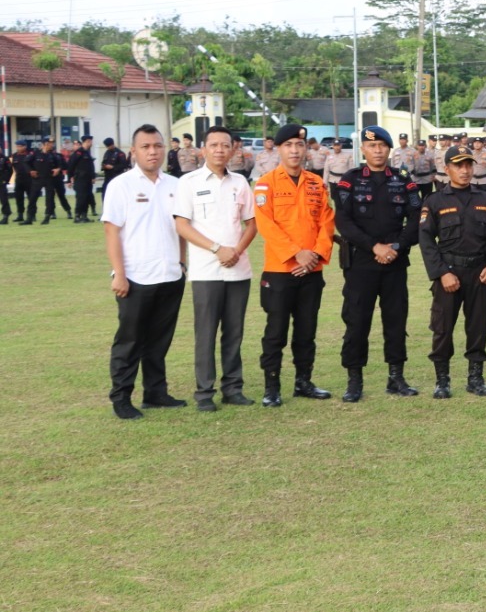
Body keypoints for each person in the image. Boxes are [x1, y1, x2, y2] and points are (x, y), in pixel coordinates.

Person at [101, 124, 188, 419]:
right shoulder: (120, 185)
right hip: (135, 278)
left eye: (158, 146)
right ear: (134, 151)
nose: (153, 152)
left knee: (159, 340)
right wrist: (119, 274)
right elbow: (112, 232)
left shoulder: (175, 185)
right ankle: (121, 398)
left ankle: (155, 392)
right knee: (130, 340)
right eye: (146, 147)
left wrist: (182, 264)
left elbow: (181, 229)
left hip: (170, 275)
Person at [332, 126, 423, 402]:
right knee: (357, 321)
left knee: (396, 321)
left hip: (394, 262)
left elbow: (417, 218)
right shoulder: (350, 180)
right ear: (363, 149)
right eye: (372, 146)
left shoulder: (403, 180)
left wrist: (396, 247)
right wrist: (375, 246)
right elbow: (343, 221)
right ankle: (354, 380)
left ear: (389, 149)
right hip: (361, 263)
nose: (378, 150)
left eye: (383, 146)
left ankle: (396, 377)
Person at [173, 126, 258, 411]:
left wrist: (237, 251)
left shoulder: (240, 183)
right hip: (206, 270)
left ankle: (233, 388)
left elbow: (252, 224)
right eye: (214, 145)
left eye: (225, 145)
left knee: (234, 332)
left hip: (238, 269)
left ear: (234, 149)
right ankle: (204, 392)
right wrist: (216, 249)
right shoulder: (188, 182)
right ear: (203, 149)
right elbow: (182, 225)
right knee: (206, 332)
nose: (220, 150)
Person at [252, 124, 337, 406]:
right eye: (288, 145)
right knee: (275, 332)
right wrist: (295, 254)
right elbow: (266, 224)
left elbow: (326, 222)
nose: (294, 150)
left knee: (306, 330)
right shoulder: (266, 183)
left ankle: (303, 382)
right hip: (280, 270)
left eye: (299, 145)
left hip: (311, 270)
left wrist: (314, 254)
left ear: (305, 148)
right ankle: (271, 387)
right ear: (278, 149)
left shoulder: (316, 183)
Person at [418, 146, 486, 399]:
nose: (465, 170)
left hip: (479, 272)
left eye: (468, 165)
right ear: (447, 170)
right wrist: (441, 273)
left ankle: (475, 378)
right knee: (443, 328)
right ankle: (442, 380)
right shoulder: (434, 201)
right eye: (459, 165)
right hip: (449, 274)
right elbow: (425, 240)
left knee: (478, 326)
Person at [68, 136, 97, 222]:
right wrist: (70, 178)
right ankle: (77, 216)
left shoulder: (87, 153)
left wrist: (93, 177)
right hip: (80, 179)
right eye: (90, 141)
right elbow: (71, 165)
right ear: (87, 141)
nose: (91, 143)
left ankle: (84, 216)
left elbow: (90, 167)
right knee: (81, 197)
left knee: (87, 197)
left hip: (87, 179)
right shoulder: (79, 153)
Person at [10, 141, 34, 224]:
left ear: (24, 147)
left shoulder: (30, 155)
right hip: (19, 179)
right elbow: (12, 167)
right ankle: (20, 215)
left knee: (31, 198)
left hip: (29, 179)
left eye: (20, 146)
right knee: (19, 198)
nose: (18, 148)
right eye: (17, 146)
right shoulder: (14, 155)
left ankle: (32, 215)